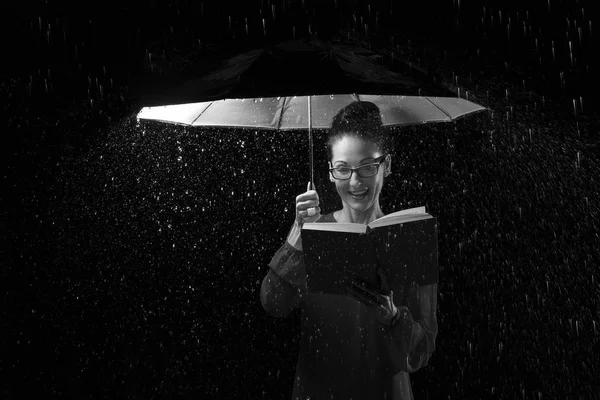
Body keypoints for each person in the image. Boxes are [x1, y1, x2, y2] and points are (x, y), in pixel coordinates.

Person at [260, 101, 438, 399]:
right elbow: (273, 304)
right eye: (343, 169)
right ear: (330, 172)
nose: (355, 182)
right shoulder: (313, 236)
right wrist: (297, 236)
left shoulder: (410, 238)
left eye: (368, 166)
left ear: (388, 165)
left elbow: (421, 352)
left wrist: (394, 318)